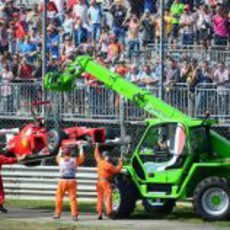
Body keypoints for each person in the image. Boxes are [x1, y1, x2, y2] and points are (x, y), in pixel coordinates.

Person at [54, 142, 85, 221]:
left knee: (59, 198)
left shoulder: (60, 160)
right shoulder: (74, 160)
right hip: (72, 180)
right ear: (70, 153)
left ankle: (57, 214)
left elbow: (57, 156)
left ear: (64, 153)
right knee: (73, 199)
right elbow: (82, 157)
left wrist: (60, 150)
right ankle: (74, 215)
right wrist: (81, 148)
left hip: (62, 180)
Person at [94, 143, 122, 220]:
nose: (109, 157)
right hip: (105, 182)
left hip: (99, 182)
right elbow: (117, 170)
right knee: (109, 196)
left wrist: (96, 146)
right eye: (107, 156)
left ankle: (99, 213)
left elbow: (96, 155)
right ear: (105, 157)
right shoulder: (108, 165)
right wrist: (120, 162)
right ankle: (110, 212)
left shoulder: (99, 161)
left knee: (100, 197)